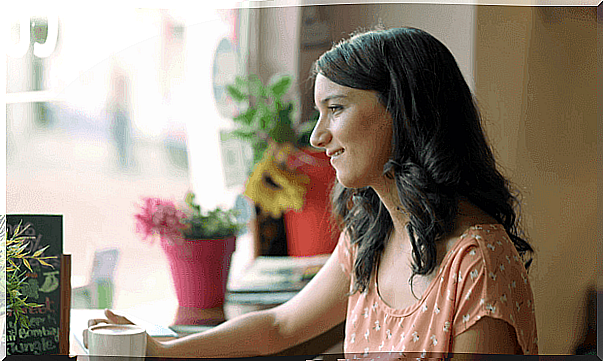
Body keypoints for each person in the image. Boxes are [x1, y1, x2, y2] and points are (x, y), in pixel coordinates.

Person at [85, 27, 538, 358]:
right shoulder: (369, 237)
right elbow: (279, 327)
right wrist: (159, 349)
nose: (318, 137)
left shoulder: (478, 262)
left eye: (335, 109)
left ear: (403, 111)